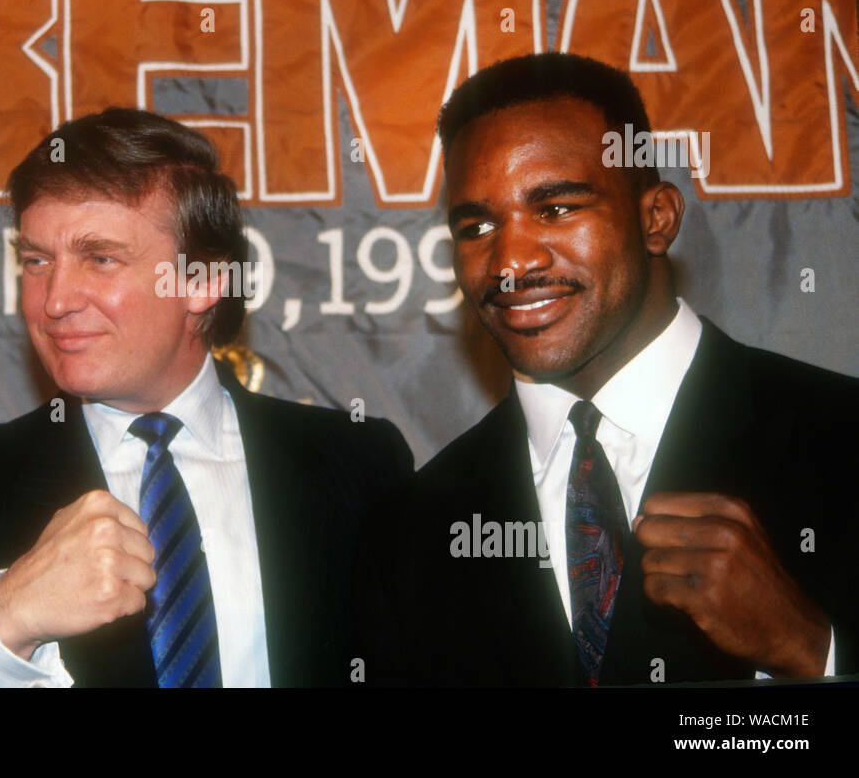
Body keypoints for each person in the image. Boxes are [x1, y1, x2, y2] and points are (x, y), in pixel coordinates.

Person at [355, 53, 859, 686]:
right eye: (478, 225)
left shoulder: (842, 440)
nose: (510, 259)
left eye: (557, 208)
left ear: (657, 219)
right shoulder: (414, 530)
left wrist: (813, 651)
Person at [0, 107, 412, 687]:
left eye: (100, 258)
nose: (55, 300)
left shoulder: (360, 464)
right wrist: (7, 620)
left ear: (203, 281)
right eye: (37, 261)